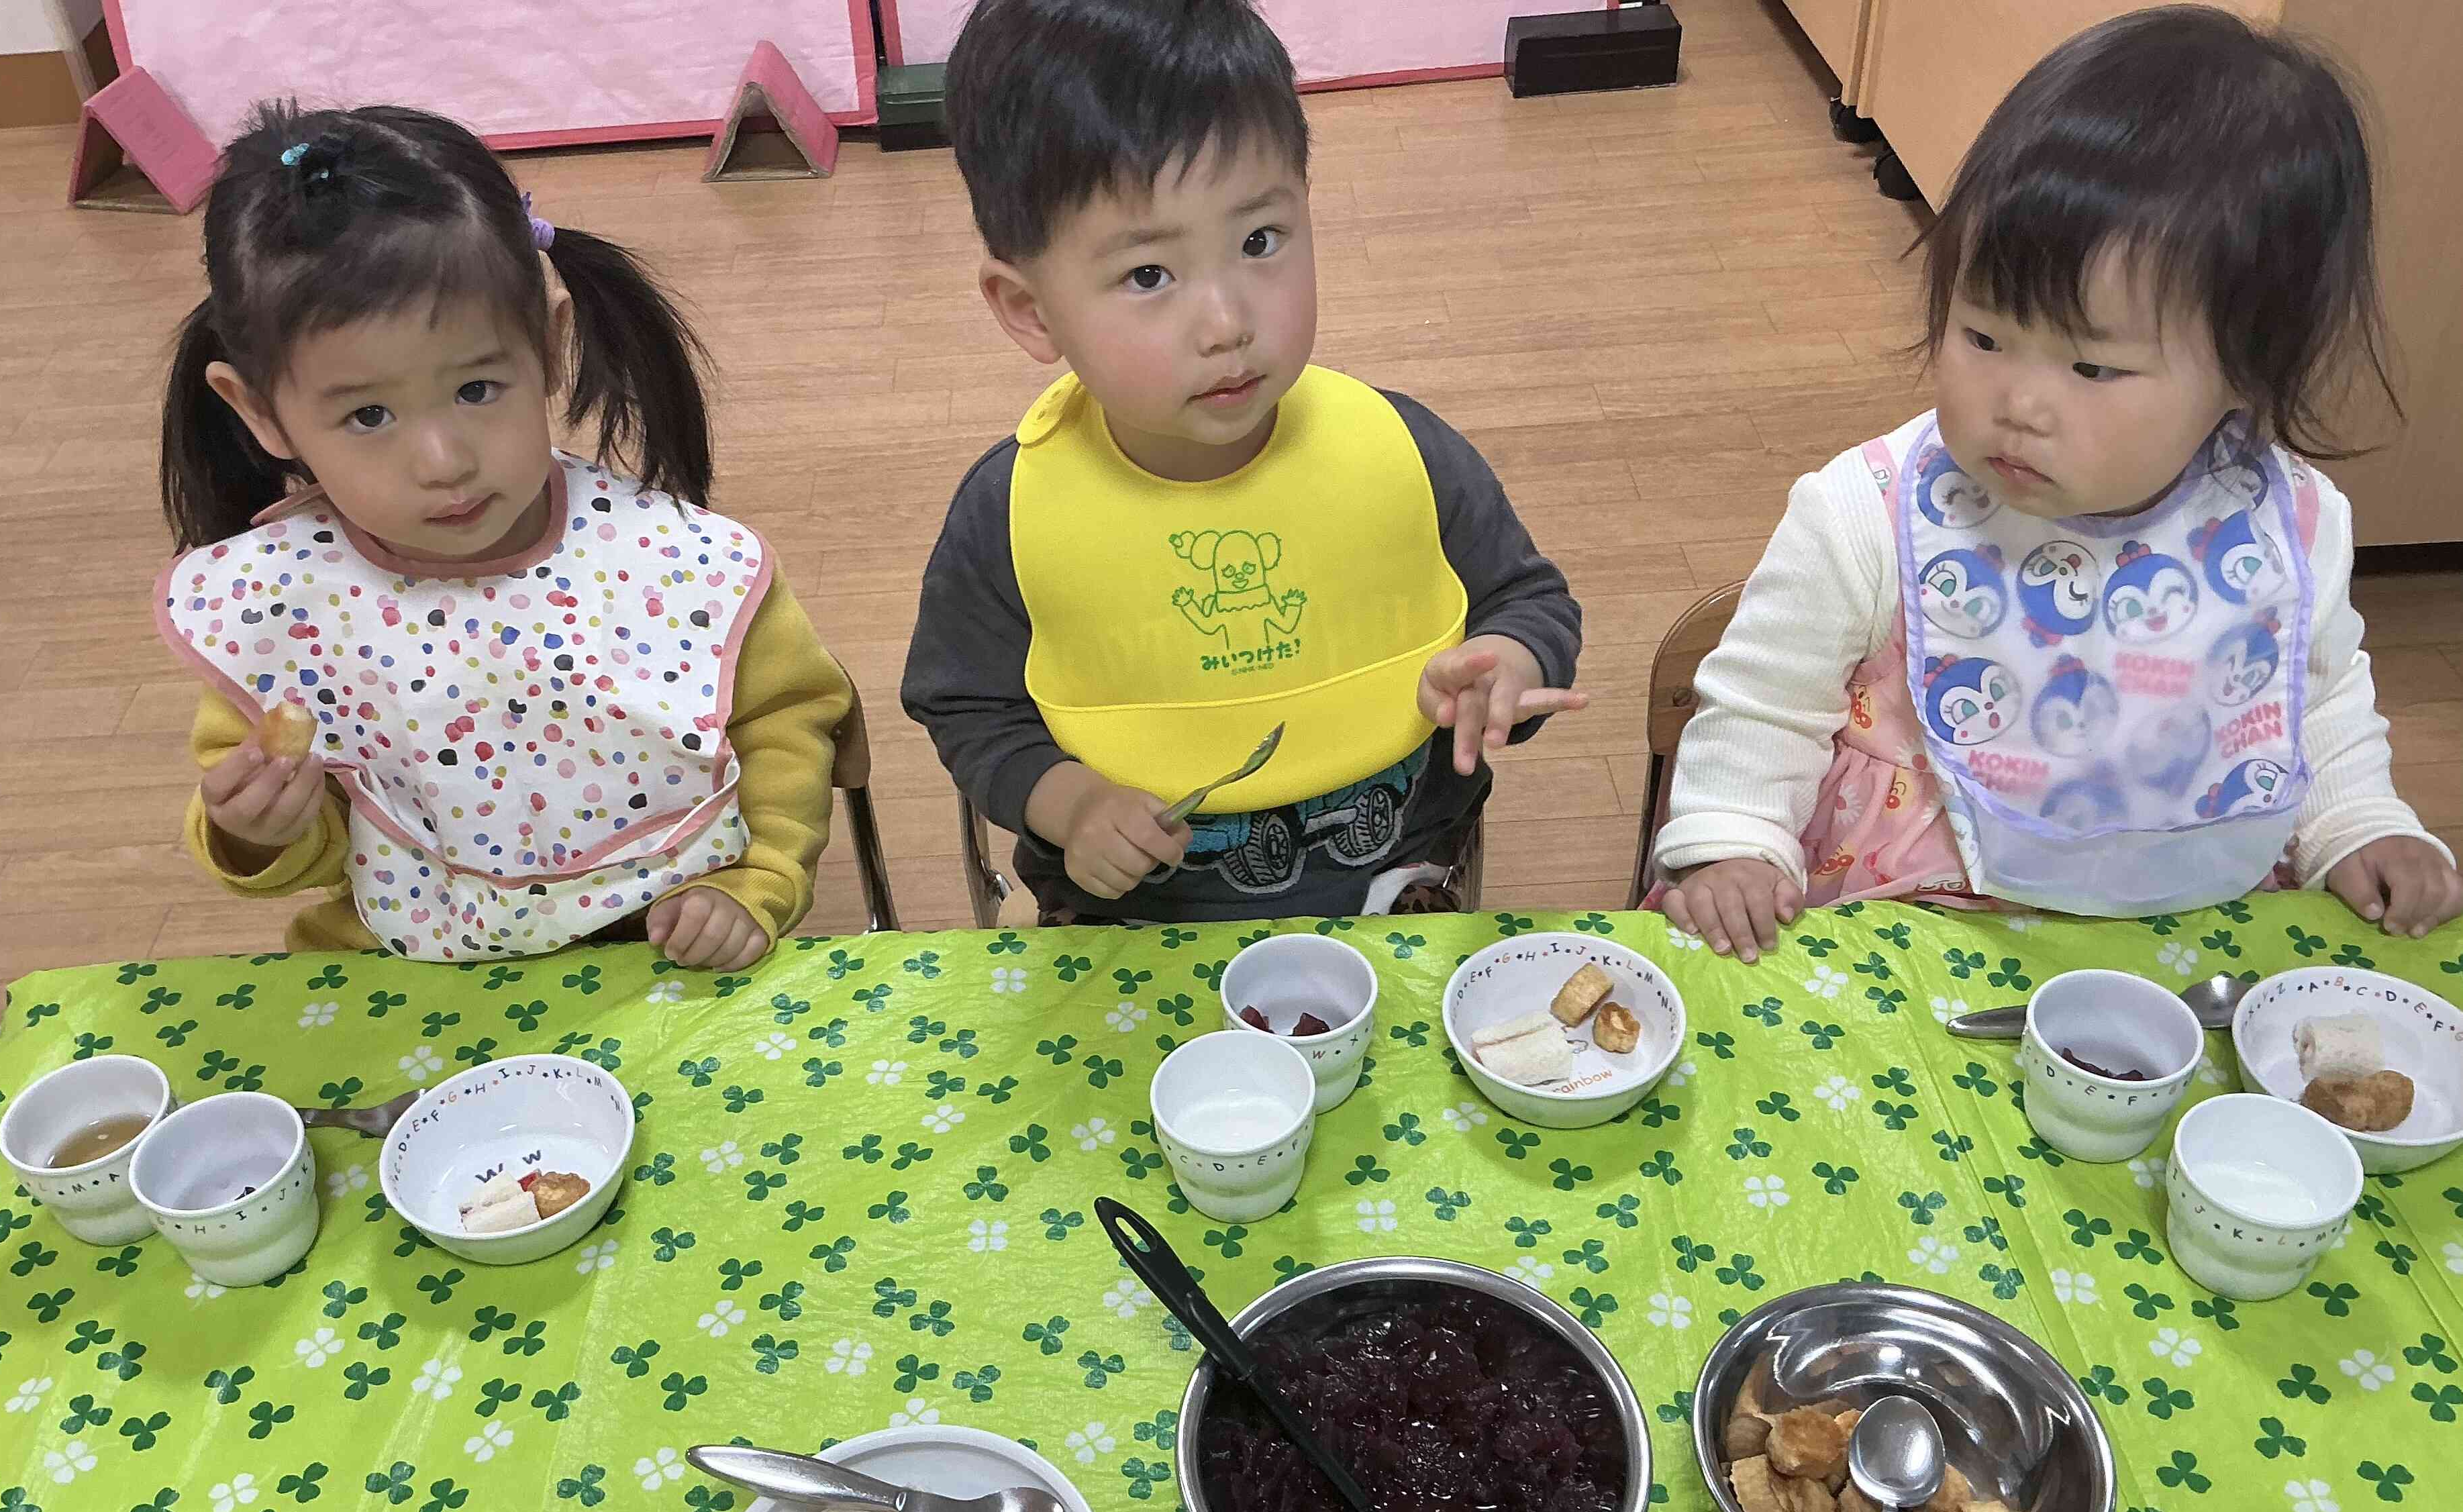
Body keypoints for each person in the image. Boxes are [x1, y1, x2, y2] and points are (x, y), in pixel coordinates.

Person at [1652, 5, 2462, 961]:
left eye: (2093, 367)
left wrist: (2361, 823)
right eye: (1984, 336)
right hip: (1913, 924)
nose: (2020, 403)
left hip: (2193, 937)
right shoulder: (1867, 515)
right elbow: (1762, 704)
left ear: (2248, 371)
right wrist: (1735, 843)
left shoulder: (2287, 529)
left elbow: (2311, 701)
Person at [901, 0, 1587, 922]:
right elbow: (967, 707)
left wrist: (1506, 664)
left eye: (1260, 242)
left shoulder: (1401, 449)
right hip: (1133, 932)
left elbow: (1530, 600)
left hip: (1396, 899)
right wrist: (1071, 803)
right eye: (1149, 275)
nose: (1227, 324)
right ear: (1031, 310)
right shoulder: (1012, 512)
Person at [156, 103, 849, 969]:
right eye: (369, 415)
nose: (443, 462)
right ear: (259, 411)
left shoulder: (676, 565)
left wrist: (757, 882)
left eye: (477, 390)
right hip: (409, 969)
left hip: (663, 949)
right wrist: (257, 830)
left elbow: (784, 723)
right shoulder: (280, 610)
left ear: (549, 342)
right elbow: (324, 847)